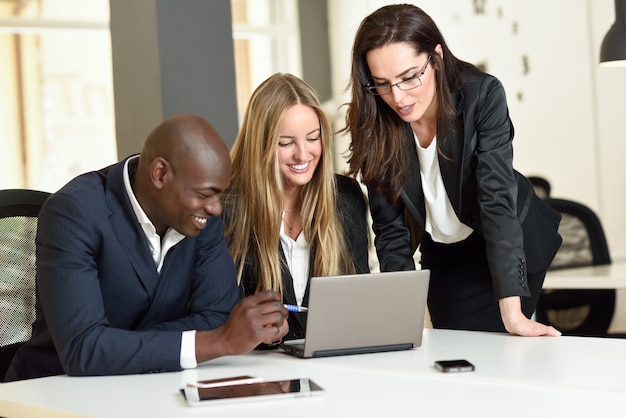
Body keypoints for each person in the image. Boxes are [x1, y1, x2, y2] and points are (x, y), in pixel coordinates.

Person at [5, 114, 288, 382]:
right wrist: (219, 340)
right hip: (53, 391)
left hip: (154, 386)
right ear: (160, 173)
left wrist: (116, 344)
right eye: (204, 195)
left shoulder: (203, 216)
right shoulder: (75, 212)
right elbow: (84, 349)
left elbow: (218, 315)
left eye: (218, 195)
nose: (215, 208)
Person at [342, 4, 562, 336]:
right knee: (456, 357)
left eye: (409, 77)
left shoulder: (481, 95)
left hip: (502, 244)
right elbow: (390, 231)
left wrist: (514, 315)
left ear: (436, 58)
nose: (398, 97)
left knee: (503, 351)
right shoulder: (374, 121)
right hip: (444, 253)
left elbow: (497, 202)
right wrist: (402, 319)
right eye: (382, 83)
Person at [222, 73, 370, 341]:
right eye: (286, 143)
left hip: (333, 366)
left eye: (313, 138)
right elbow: (215, 317)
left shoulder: (345, 198)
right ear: (261, 145)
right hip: (256, 370)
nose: (303, 154)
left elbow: (358, 302)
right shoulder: (226, 209)